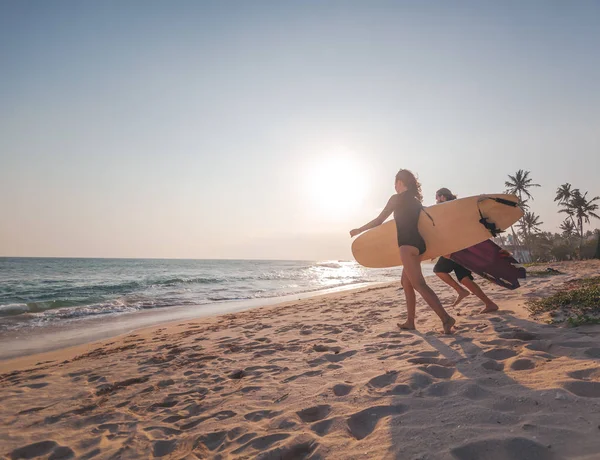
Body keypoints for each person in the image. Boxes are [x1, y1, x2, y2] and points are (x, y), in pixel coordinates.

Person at [350, 170, 455, 334]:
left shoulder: (396, 199)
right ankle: (410, 321)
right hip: (418, 245)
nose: (394, 186)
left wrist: (359, 230)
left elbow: (379, 220)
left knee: (419, 284)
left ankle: (446, 319)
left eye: (395, 182)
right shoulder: (415, 201)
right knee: (406, 282)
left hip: (407, 246)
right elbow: (427, 224)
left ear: (400, 182)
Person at [434, 187, 499, 313]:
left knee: (439, 270)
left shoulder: (447, 209)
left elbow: (450, 230)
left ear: (443, 197)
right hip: (461, 247)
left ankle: (460, 291)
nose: (436, 200)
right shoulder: (455, 207)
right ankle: (489, 304)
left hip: (455, 248)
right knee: (464, 278)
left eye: (437, 197)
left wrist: (445, 250)